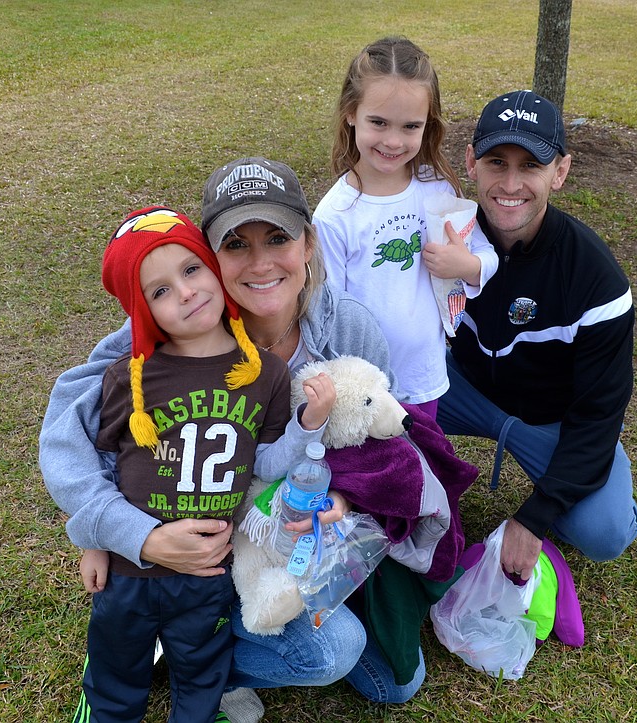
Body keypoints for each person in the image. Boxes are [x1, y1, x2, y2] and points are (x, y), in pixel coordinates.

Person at [39, 158, 424, 723]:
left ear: (308, 242)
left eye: (278, 238)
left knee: (393, 682)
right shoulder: (172, 322)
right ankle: (149, 653)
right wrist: (116, 533)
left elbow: (384, 447)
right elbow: (82, 433)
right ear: (211, 257)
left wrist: (344, 500)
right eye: (236, 245)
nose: (261, 262)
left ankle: (190, 658)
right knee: (333, 649)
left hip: (283, 540)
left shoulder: (348, 327)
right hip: (186, 543)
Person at [65, 205, 336, 723]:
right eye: (160, 291)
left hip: (210, 568)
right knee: (115, 668)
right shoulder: (130, 376)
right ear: (142, 312)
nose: (186, 292)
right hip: (129, 568)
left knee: (202, 672)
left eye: (191, 269)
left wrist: (309, 424)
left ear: (212, 268)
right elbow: (102, 461)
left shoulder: (265, 374)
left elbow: (267, 462)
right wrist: (94, 540)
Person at [436, 90, 637, 584]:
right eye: (496, 162)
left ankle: (603, 484)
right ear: (471, 162)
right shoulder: (444, 237)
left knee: (604, 531)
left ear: (560, 172)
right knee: (382, 398)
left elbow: (599, 413)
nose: (510, 184)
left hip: (554, 421)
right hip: (462, 390)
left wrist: (534, 517)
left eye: (531, 165)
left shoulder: (595, 277)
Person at [313, 36, 498, 419]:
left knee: (422, 456)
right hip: (364, 390)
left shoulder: (437, 189)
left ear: (427, 125)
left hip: (424, 374)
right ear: (351, 113)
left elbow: (485, 254)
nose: (393, 141)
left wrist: (467, 266)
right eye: (379, 122)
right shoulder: (335, 215)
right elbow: (328, 313)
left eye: (410, 126)